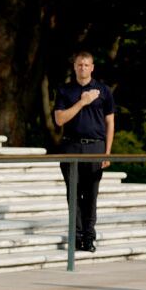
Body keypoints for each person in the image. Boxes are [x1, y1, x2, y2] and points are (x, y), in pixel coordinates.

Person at [53, 52, 116, 253]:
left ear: (92, 67)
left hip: (95, 147)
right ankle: (77, 237)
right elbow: (60, 120)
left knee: (90, 196)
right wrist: (82, 102)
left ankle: (89, 237)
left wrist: (107, 152)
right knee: (73, 194)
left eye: (86, 65)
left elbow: (110, 122)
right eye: (79, 65)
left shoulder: (104, 90)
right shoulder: (65, 90)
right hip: (70, 147)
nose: (82, 68)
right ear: (74, 67)